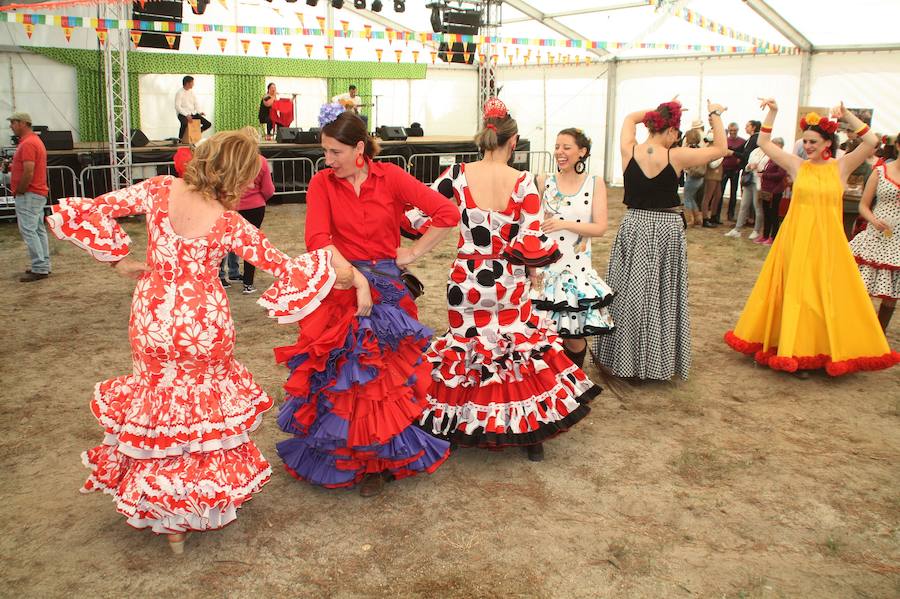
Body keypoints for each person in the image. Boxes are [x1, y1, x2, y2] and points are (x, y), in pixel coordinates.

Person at [44, 128, 342, 553]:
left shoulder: (160, 188)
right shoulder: (228, 221)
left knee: (159, 406)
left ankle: (164, 512)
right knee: (201, 413)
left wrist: (117, 260)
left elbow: (93, 209)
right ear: (240, 176)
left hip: (153, 317)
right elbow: (282, 265)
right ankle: (190, 505)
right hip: (204, 323)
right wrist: (337, 271)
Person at [274, 107, 459, 497]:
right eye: (324, 152)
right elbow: (318, 240)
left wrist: (411, 254)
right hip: (341, 286)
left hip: (389, 293)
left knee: (382, 381)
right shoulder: (322, 183)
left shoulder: (390, 177)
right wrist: (357, 280)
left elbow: (446, 213)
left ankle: (378, 459)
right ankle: (341, 455)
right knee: (344, 380)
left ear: (359, 148)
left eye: (335, 152)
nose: (328, 160)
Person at [418, 98, 599, 462]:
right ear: (513, 141)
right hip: (507, 278)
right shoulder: (523, 181)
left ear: (482, 138)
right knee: (517, 351)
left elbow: (420, 216)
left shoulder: (454, 175)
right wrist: (533, 275)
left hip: (466, 278)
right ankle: (530, 437)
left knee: (467, 348)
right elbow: (530, 239)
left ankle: (456, 427)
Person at [725, 100, 899, 376]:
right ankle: (790, 347)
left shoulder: (841, 167)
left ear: (828, 142)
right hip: (795, 239)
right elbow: (766, 142)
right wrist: (773, 113)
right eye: (805, 141)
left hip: (827, 241)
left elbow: (871, 141)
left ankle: (817, 349)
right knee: (796, 294)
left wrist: (847, 116)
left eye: (813, 141)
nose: (807, 146)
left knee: (821, 296)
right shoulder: (797, 165)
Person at [594, 98, 727, 381]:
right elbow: (721, 149)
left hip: (634, 225)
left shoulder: (629, 149)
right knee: (660, 295)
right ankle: (655, 362)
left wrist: (660, 111)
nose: (676, 137)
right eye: (675, 131)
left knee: (628, 294)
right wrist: (714, 114)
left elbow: (630, 116)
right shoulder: (676, 156)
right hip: (666, 228)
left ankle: (624, 359)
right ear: (670, 130)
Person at [532, 127, 614, 368]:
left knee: (574, 338)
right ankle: (552, 390)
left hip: (575, 274)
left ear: (582, 152)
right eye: (557, 147)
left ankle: (575, 387)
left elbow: (599, 228)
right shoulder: (543, 181)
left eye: (566, 147)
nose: (560, 152)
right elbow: (531, 225)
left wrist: (562, 224)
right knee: (544, 335)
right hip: (545, 271)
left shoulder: (594, 183)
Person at [849, 133, 900, 331]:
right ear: (897, 146)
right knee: (863, 287)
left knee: (891, 294)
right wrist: (873, 220)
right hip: (874, 236)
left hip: (897, 241)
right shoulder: (880, 170)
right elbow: (863, 205)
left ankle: (879, 334)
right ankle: (857, 330)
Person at [3, 112, 51, 282]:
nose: (11, 126)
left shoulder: (28, 144)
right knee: (37, 229)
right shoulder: (32, 142)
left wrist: (21, 190)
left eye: (13, 123)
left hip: (29, 193)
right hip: (36, 192)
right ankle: (43, 265)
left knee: (29, 230)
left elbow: (29, 170)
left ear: (23, 123)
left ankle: (40, 267)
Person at [220, 154, 275, 294]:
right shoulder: (261, 161)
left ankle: (221, 277)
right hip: (255, 207)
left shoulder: (230, 159)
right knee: (251, 244)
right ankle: (248, 283)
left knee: (226, 241)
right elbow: (268, 189)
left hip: (232, 205)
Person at [757, 137, 788, 244]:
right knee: (766, 213)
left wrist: (765, 174)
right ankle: (765, 235)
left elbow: (780, 174)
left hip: (775, 190)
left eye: (775, 145)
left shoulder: (781, 158)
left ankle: (774, 236)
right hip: (766, 189)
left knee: (773, 214)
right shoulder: (771, 158)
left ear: (780, 146)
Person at [718, 121, 745, 223]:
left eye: (734, 130)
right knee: (720, 192)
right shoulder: (724, 140)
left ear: (737, 130)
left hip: (735, 170)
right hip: (724, 169)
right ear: (728, 131)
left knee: (733, 193)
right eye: (731, 130)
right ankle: (717, 214)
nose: (732, 132)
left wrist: (739, 160)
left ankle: (731, 214)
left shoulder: (742, 141)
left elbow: (744, 155)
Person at [681, 123, 706, 228]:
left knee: (687, 197)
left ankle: (690, 219)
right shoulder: (700, 148)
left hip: (693, 175)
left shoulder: (690, 149)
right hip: (700, 176)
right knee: (691, 198)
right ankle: (698, 218)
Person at [175, 76, 211, 141]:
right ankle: (180, 139)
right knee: (185, 123)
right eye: (192, 82)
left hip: (192, 113)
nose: (193, 84)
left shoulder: (192, 92)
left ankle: (196, 133)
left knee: (208, 124)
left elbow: (196, 103)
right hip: (182, 114)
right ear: (187, 83)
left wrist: (200, 111)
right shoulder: (179, 93)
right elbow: (177, 107)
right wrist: (186, 115)